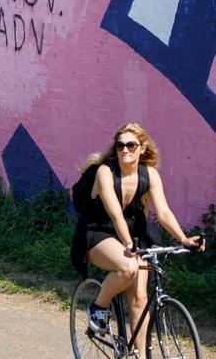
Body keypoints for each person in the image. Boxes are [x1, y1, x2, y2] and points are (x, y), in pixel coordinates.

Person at [70, 123, 205, 355]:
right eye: (120, 145)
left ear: (142, 148)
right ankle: (98, 306)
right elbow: (114, 214)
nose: (125, 150)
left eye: (131, 145)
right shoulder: (105, 172)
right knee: (127, 267)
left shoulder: (149, 174)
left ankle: (140, 355)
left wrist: (183, 239)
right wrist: (129, 244)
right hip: (98, 231)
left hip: (133, 233)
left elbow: (163, 213)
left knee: (140, 300)